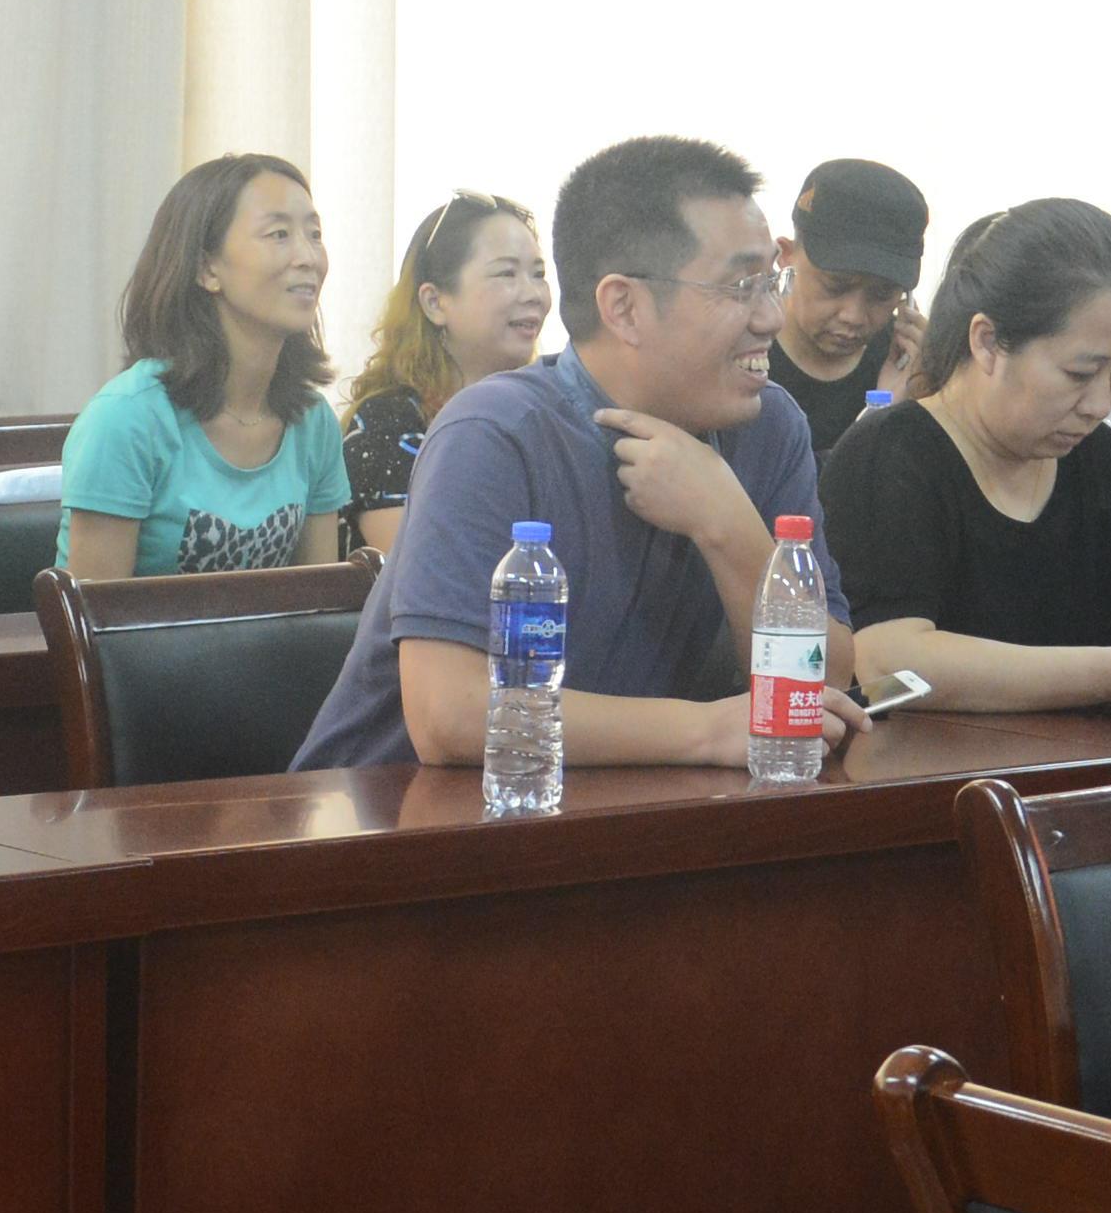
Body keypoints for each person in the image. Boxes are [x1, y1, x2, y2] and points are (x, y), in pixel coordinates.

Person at [295, 134, 823, 773]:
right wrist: (706, 731)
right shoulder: (493, 433)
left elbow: (827, 684)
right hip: (392, 814)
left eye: (773, 281)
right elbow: (450, 714)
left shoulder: (770, 426)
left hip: (622, 810)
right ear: (624, 307)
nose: (772, 317)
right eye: (741, 287)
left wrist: (728, 527)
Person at [826, 201, 1111, 717]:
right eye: (1079, 374)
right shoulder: (889, 455)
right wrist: (1106, 674)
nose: (1100, 404)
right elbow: (887, 663)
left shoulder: (1100, 459)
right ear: (988, 343)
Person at [59, 154, 347, 579]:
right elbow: (96, 614)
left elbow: (321, 601)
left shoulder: (313, 421)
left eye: (315, 234)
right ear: (206, 268)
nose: (308, 257)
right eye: (279, 234)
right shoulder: (127, 418)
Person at [344, 190, 548, 556]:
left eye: (539, 274)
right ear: (435, 302)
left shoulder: (544, 409)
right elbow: (427, 565)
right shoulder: (389, 422)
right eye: (507, 273)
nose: (533, 294)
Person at [761, 157, 928, 463]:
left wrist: (911, 406)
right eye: (835, 286)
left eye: (882, 294)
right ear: (786, 257)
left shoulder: (908, 369)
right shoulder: (742, 354)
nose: (854, 316)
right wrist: (877, 420)